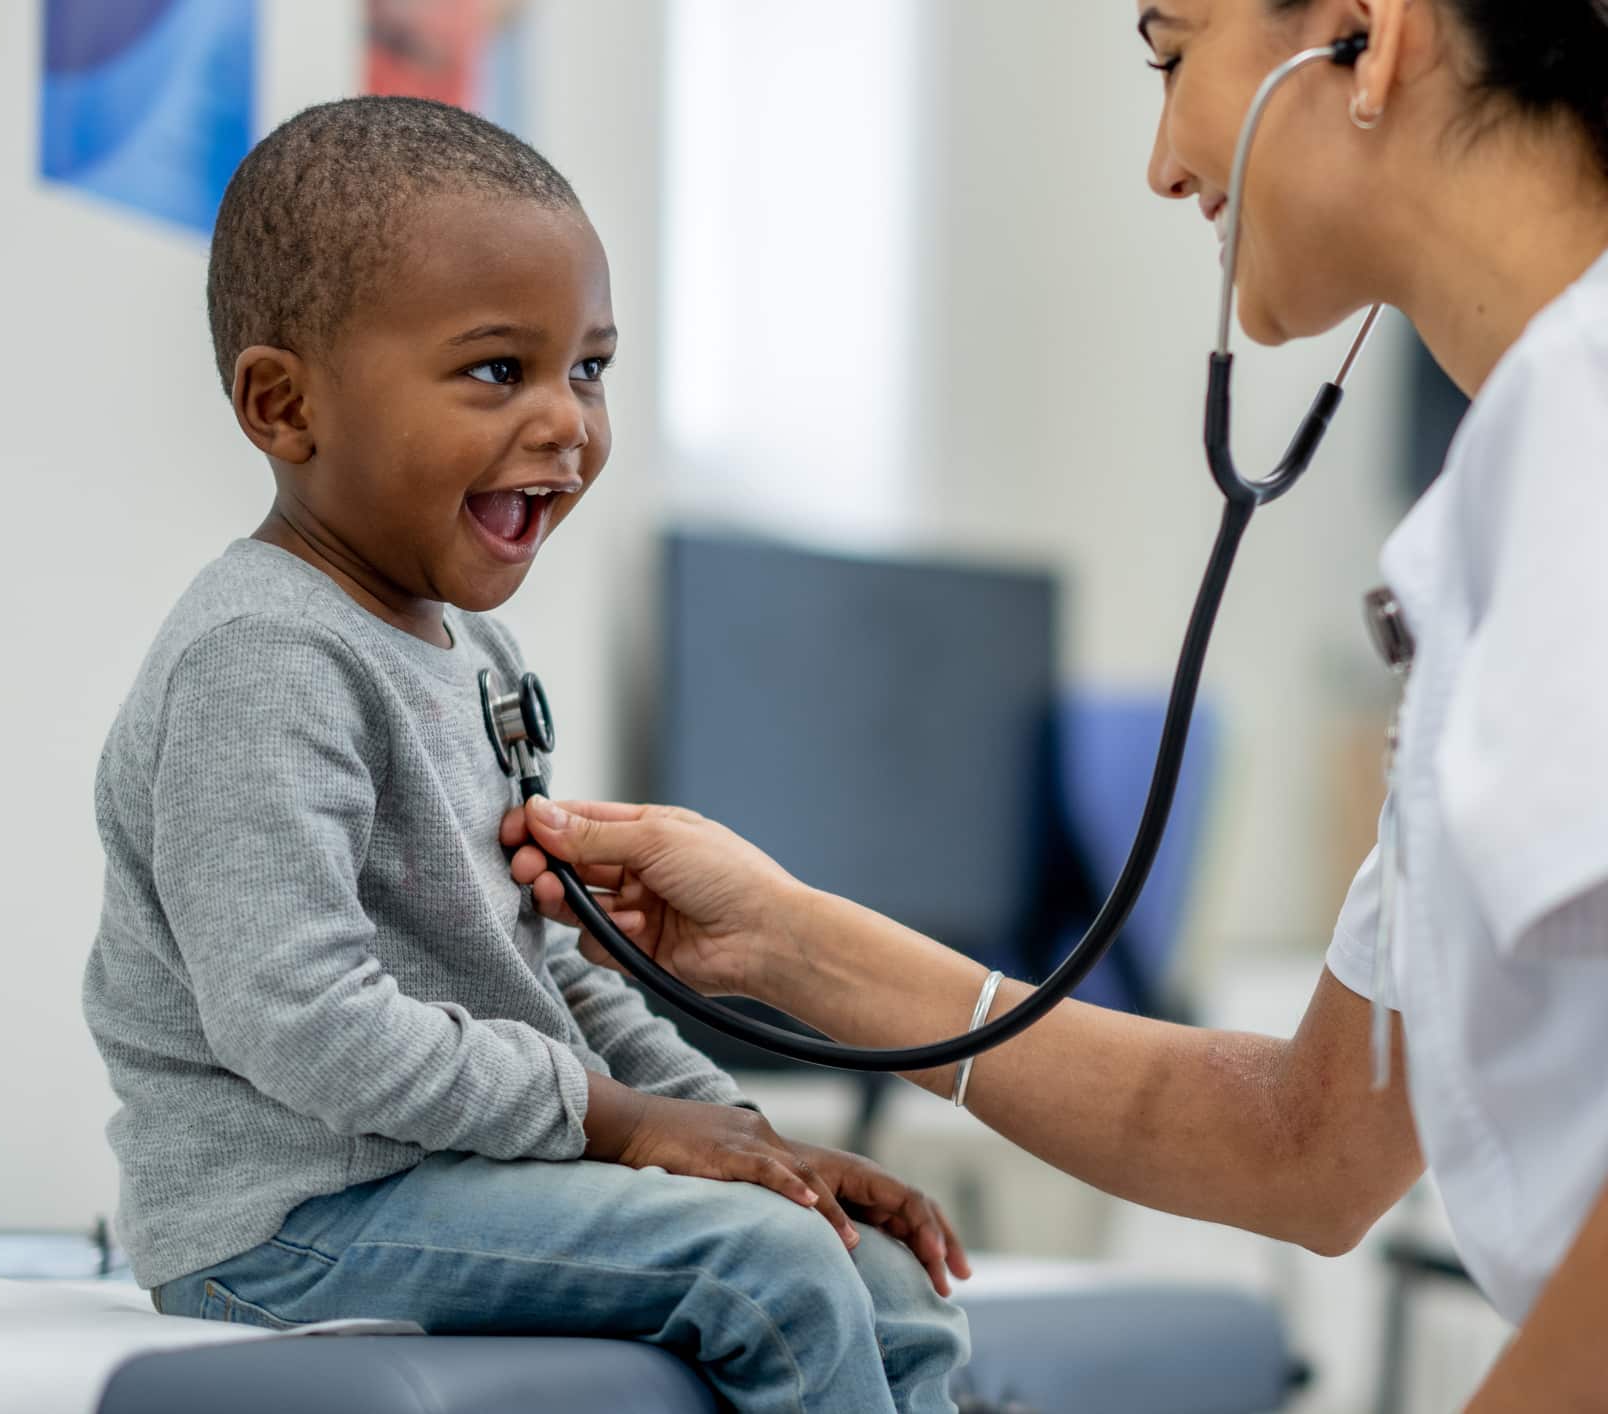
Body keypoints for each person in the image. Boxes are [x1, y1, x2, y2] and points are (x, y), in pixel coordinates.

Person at [505, 2, 1608, 1409]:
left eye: (1172, 56)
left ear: (1360, 32)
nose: (1162, 163)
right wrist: (785, 939)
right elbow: (1310, 1141)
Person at [81, 96, 969, 1414]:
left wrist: (755, 1142)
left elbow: (556, 968)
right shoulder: (263, 657)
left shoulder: (476, 659)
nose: (568, 422)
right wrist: (624, 1127)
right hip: (291, 1219)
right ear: (284, 404)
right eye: (500, 370)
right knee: (769, 1267)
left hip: (458, 1169)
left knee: (870, 1263)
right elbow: (300, 1023)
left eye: (590, 369)